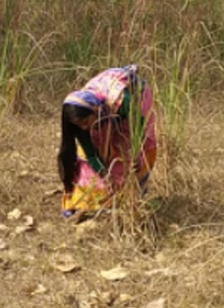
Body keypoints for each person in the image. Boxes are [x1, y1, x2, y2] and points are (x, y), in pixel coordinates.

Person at [57, 64, 158, 218]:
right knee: (91, 169)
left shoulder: (123, 102)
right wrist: (104, 174)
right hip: (105, 112)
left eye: (86, 123)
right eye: (80, 126)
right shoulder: (77, 119)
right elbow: (91, 154)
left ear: (96, 111)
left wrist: (136, 157)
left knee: (126, 160)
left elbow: (139, 132)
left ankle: (132, 197)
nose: (84, 128)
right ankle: (83, 200)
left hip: (135, 101)